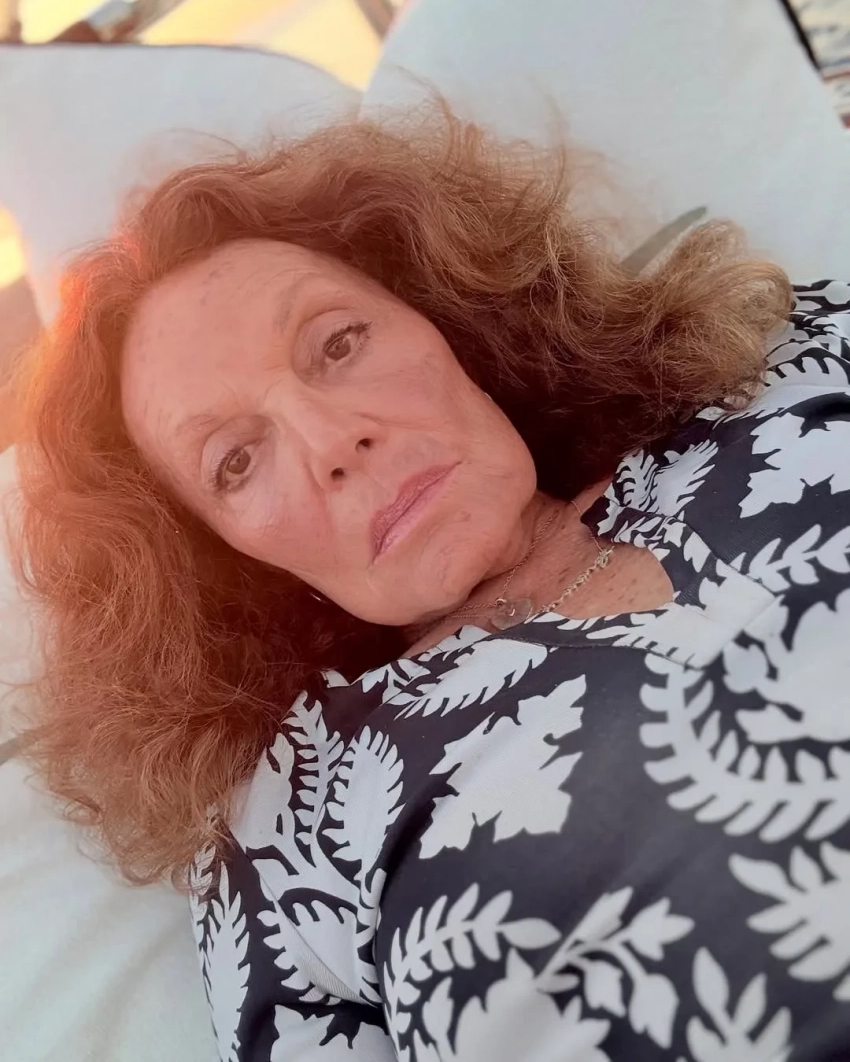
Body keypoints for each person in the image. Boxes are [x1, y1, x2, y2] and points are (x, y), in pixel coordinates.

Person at [9, 108, 850, 1061]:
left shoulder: (780, 370)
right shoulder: (294, 834)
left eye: (337, 344)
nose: (333, 441)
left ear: (446, 314)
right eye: (237, 460)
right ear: (225, 559)